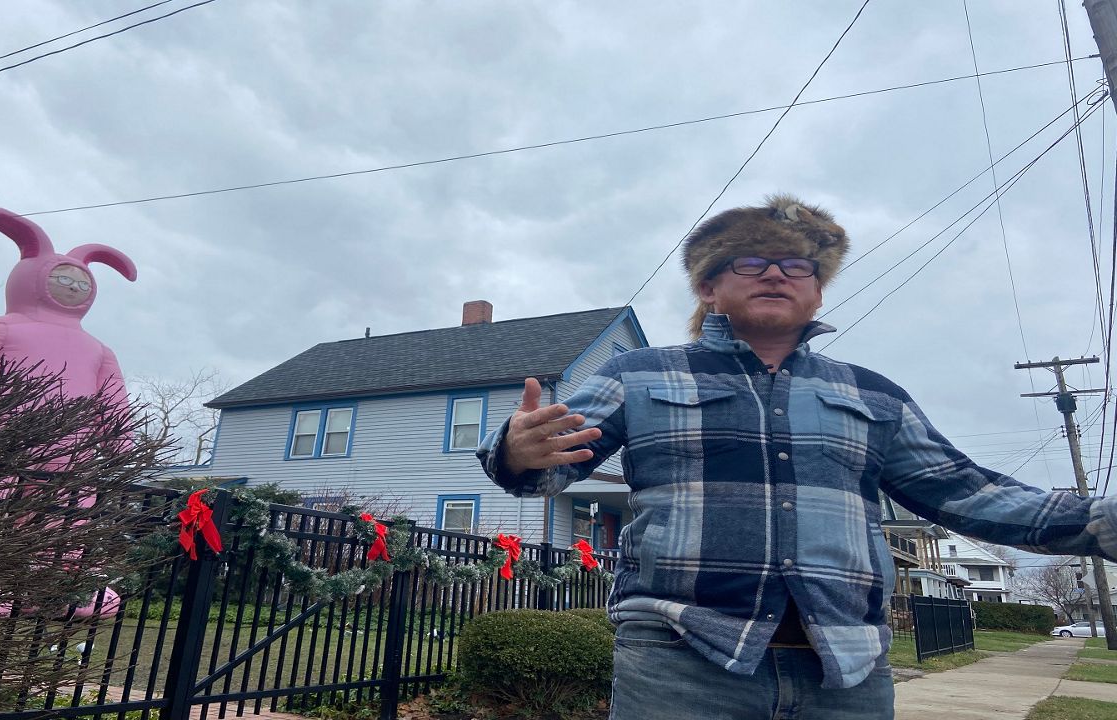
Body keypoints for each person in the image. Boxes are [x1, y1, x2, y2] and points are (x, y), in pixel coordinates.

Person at [476, 194, 1117, 720]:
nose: (777, 273)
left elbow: (972, 495)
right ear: (708, 287)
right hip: (680, 663)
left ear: (816, 292)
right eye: (751, 262)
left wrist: (1102, 522)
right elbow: (543, 467)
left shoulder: (873, 395)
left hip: (847, 675)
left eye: (797, 266)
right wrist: (517, 449)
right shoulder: (636, 375)